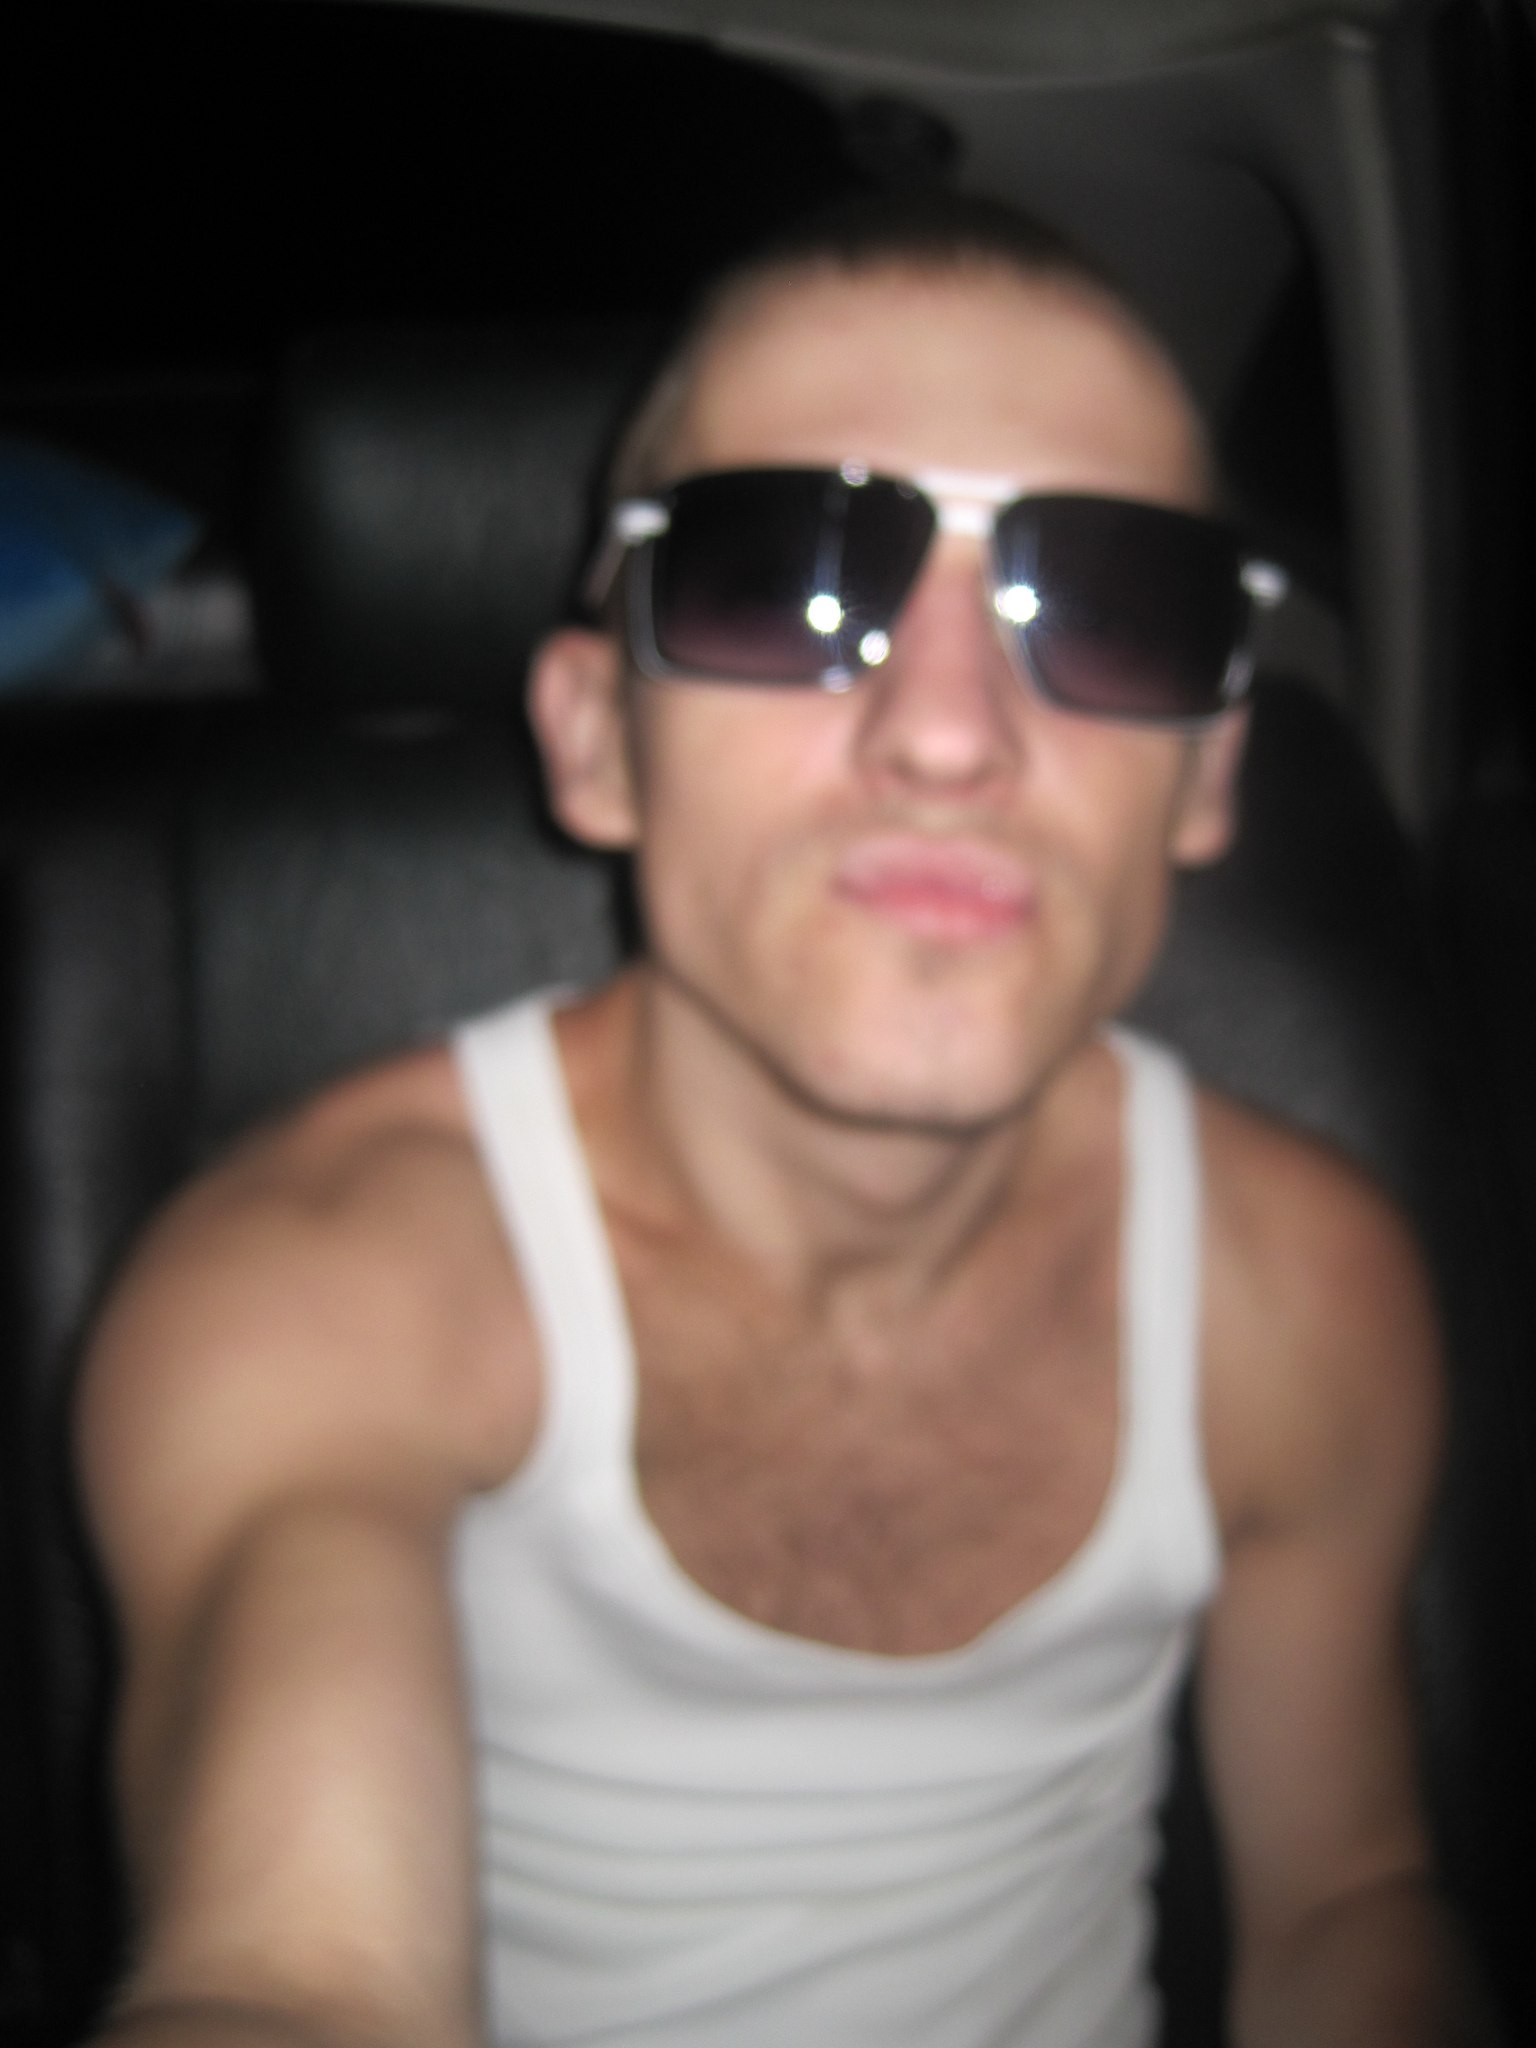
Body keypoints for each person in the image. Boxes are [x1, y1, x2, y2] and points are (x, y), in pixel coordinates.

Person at [78, 195, 1487, 2048]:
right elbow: (289, 1976)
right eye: (784, 582)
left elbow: (1348, 1906)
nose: (950, 733)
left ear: (1209, 772)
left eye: (1111, 610)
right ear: (596, 738)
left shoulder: (1300, 1286)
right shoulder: (318, 1288)